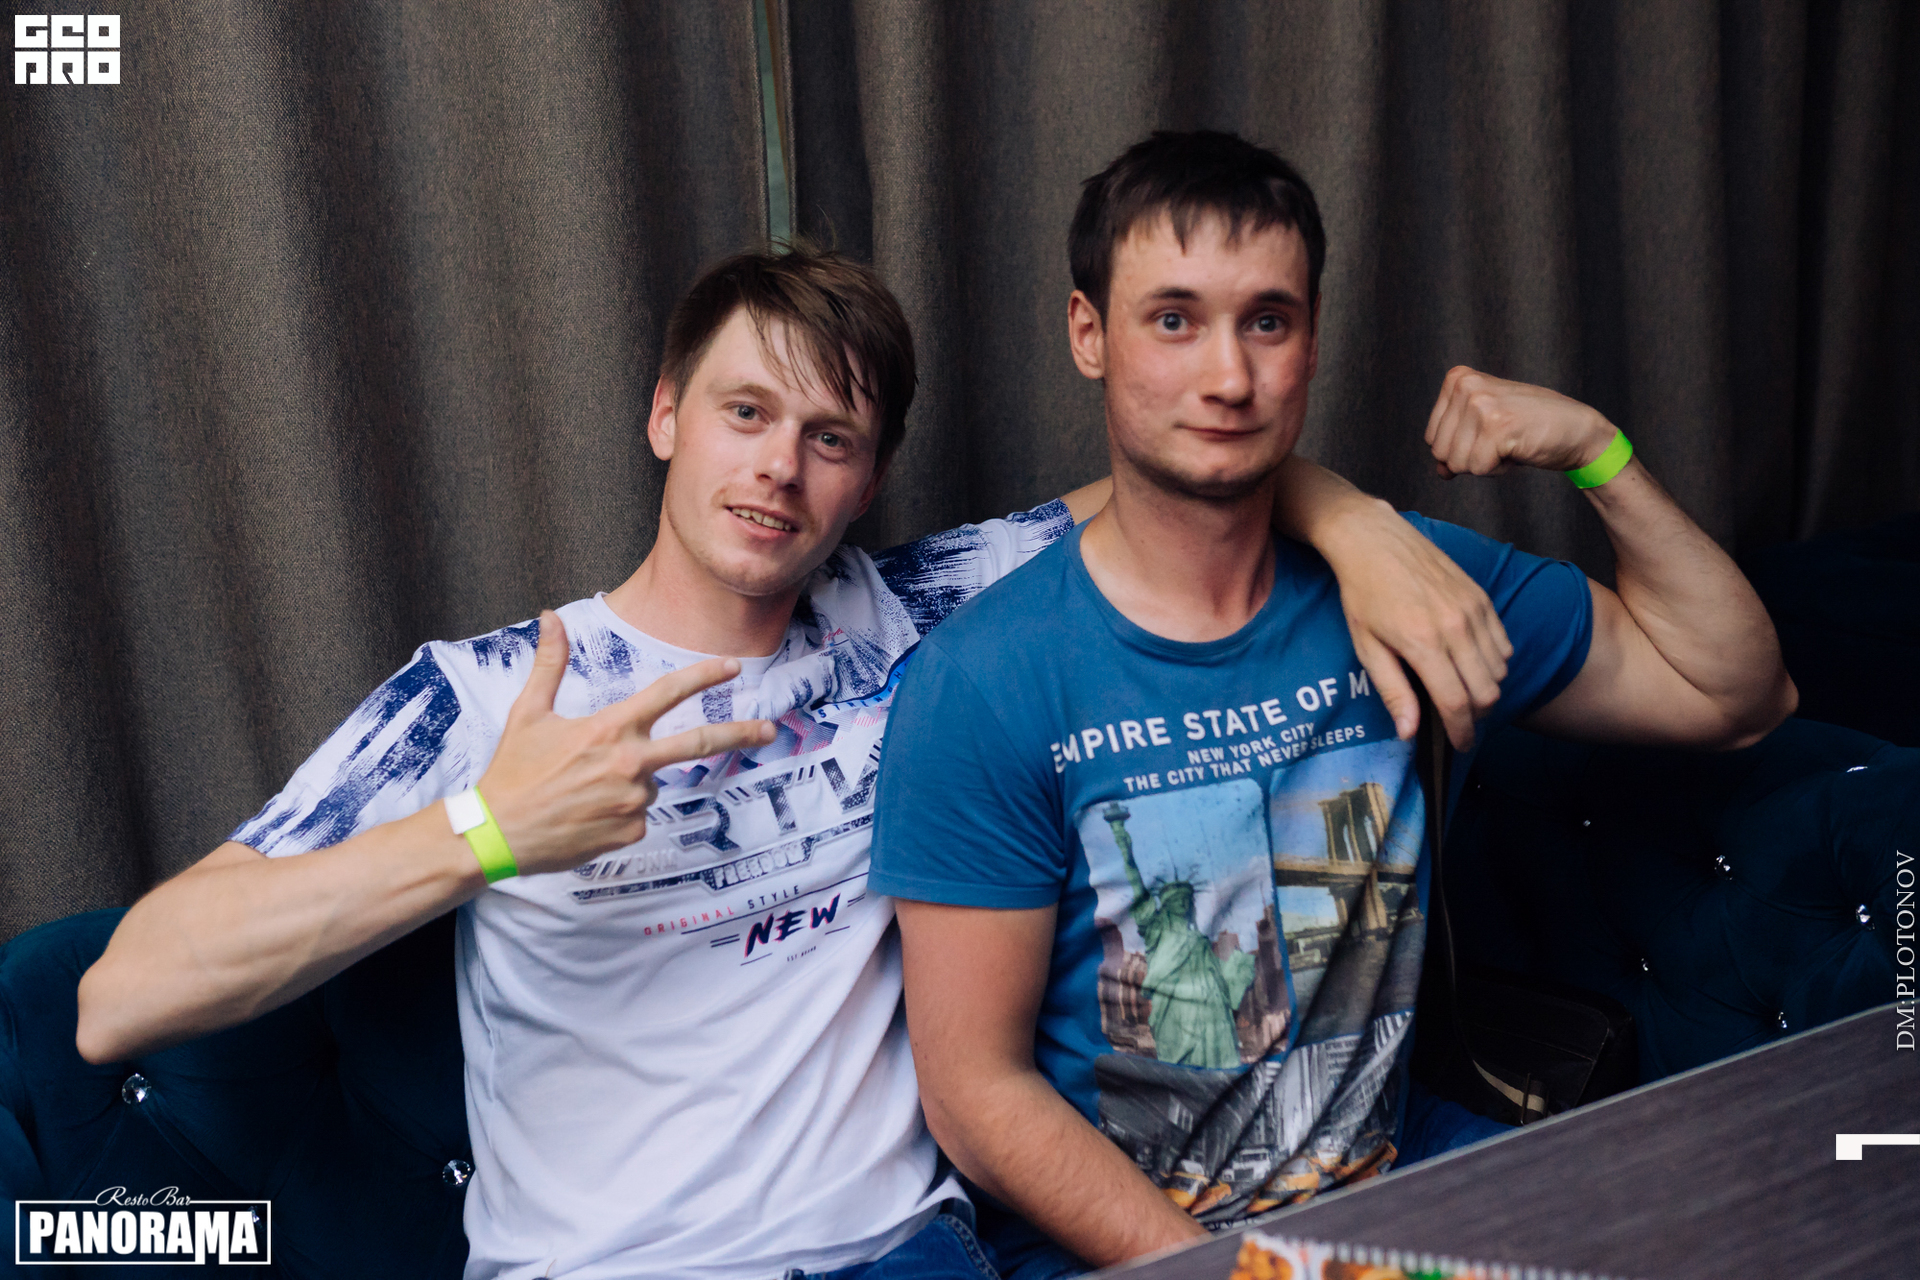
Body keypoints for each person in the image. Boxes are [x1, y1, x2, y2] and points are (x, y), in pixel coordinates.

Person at [74, 243, 1511, 1280]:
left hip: (903, 1254)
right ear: (666, 416)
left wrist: (1356, 522)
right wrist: (490, 830)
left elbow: (1187, 486)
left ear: (867, 478)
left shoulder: (921, 616)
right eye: (746, 413)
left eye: (831, 438)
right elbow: (121, 995)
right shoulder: (492, 692)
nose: (778, 468)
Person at [866, 130, 1797, 1276]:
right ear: (1088, 333)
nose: (1228, 376)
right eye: (1174, 319)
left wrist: (1597, 452)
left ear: (1311, 341)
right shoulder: (986, 679)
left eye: (1267, 321)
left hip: (1395, 1186)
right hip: (1128, 1250)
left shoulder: (1417, 590)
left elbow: (1736, 690)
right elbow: (976, 1092)